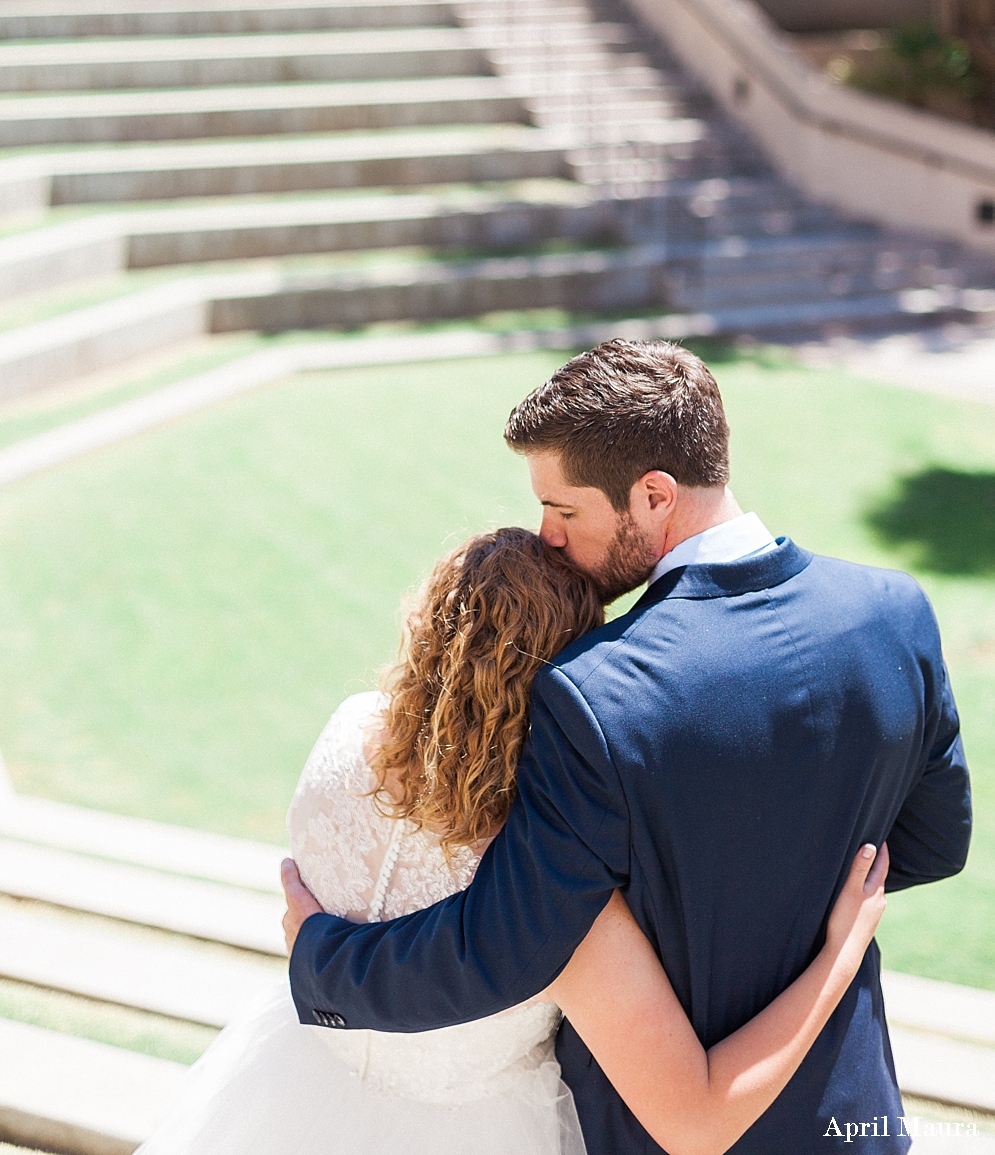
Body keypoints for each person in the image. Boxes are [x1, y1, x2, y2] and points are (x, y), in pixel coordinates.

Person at [285, 338, 972, 1155]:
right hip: (853, 1118)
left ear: (653, 494)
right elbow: (934, 842)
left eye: (564, 510)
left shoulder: (592, 695)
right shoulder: (894, 612)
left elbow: (501, 948)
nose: (545, 536)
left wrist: (322, 958)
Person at [138, 527, 888, 1155]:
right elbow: (694, 1122)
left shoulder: (345, 733)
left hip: (289, 1097)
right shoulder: (557, 888)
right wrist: (838, 956)